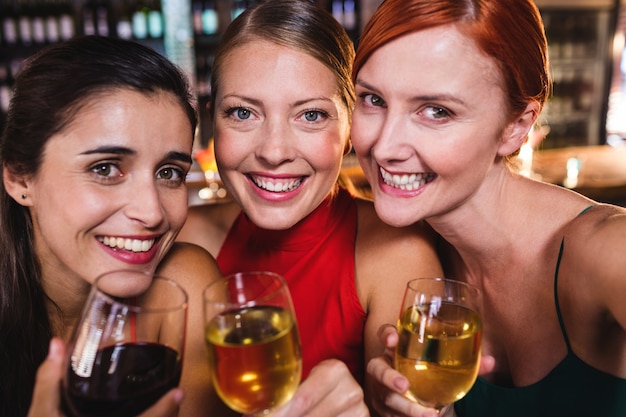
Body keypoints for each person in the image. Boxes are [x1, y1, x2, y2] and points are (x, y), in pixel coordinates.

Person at [350, 0, 626, 416]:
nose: (383, 147)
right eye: (373, 100)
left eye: (436, 111)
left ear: (516, 128)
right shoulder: (402, 255)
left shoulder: (606, 248)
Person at [176, 0, 443, 415]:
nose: (274, 151)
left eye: (311, 115)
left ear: (351, 128)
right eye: (243, 113)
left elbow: (413, 399)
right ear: (213, 122)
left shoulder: (396, 252)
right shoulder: (182, 240)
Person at [0, 35, 227, 417]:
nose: (152, 212)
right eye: (105, 169)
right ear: (22, 179)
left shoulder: (184, 287)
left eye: (169, 173)